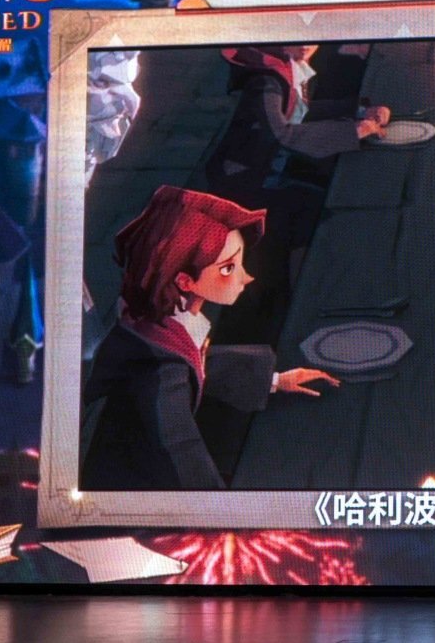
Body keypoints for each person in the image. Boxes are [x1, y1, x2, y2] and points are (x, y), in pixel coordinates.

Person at [81, 186, 340, 490]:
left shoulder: (158, 322)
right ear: (185, 280)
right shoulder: (158, 368)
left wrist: (274, 380)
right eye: (228, 268)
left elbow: (191, 364)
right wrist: (219, 506)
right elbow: (181, 450)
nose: (247, 277)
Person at [205, 44, 391, 341]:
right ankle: (303, 306)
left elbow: (300, 113)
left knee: (322, 200)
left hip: (270, 175)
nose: (306, 45)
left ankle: (310, 291)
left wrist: (358, 110)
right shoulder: (267, 81)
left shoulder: (287, 70)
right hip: (244, 189)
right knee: (315, 211)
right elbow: (282, 133)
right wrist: (352, 131)